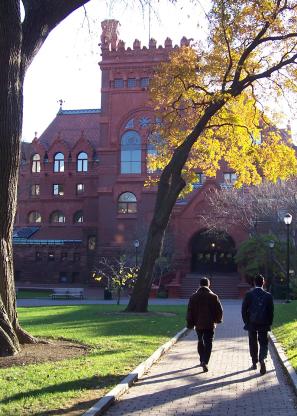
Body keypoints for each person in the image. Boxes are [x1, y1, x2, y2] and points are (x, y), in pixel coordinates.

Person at [186, 277, 223, 372]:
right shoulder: (213, 296)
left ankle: (202, 359)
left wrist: (190, 323)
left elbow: (190, 311)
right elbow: (219, 310)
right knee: (209, 342)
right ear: (208, 284)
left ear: (199, 284)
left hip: (198, 324)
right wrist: (217, 320)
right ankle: (205, 361)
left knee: (200, 340)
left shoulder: (193, 297)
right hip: (210, 324)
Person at [242, 274, 274, 375]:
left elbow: (243, 310)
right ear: (263, 282)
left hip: (252, 322)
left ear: (254, 283)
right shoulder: (268, 295)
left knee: (252, 342)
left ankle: (254, 362)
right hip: (264, 323)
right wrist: (269, 323)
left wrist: (246, 321)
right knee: (264, 343)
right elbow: (271, 311)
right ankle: (262, 359)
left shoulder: (249, 294)